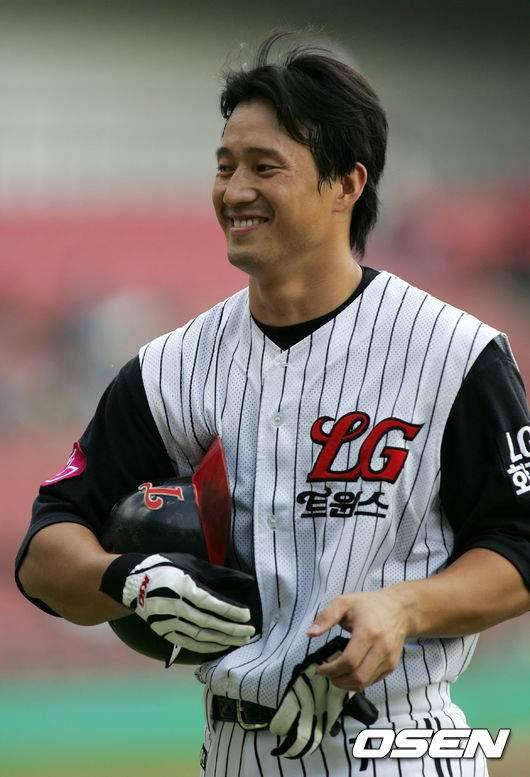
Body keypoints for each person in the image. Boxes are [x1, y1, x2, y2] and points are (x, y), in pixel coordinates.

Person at [15, 32, 530, 777]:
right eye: (224, 166)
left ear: (346, 183)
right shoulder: (170, 368)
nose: (234, 190)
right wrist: (125, 579)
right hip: (231, 752)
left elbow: (519, 544)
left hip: (398, 743)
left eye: (265, 167)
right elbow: (44, 547)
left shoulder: (455, 353)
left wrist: (405, 607)